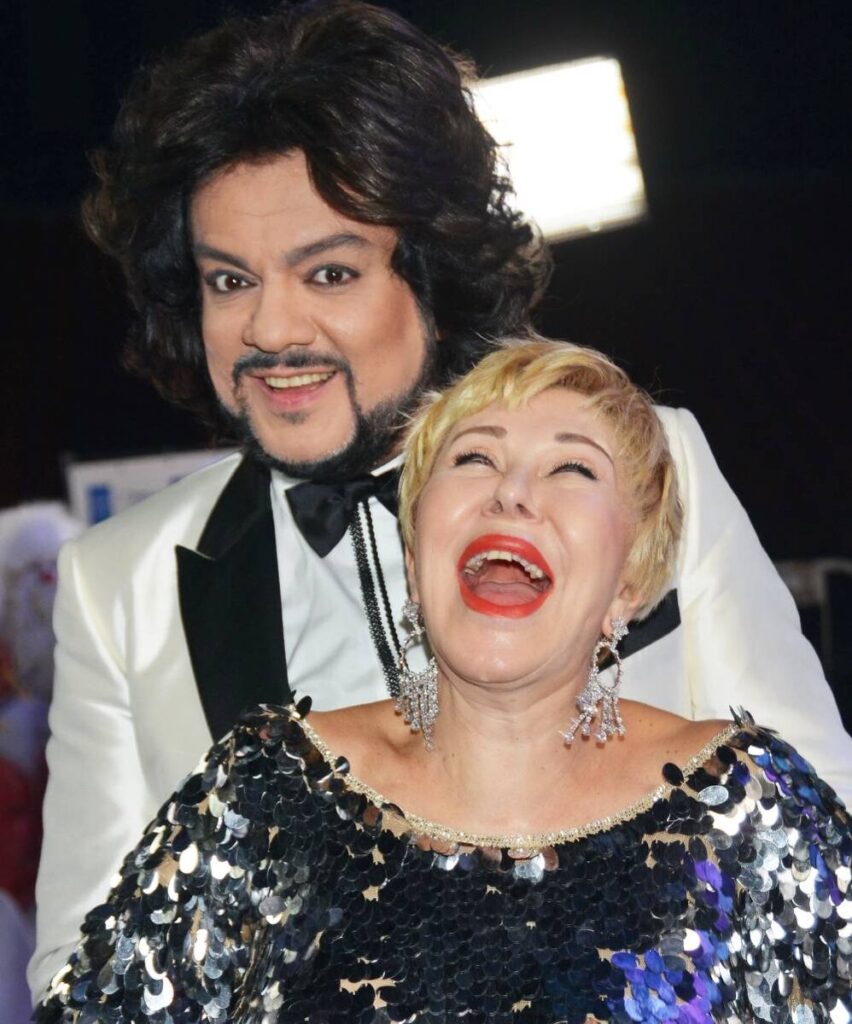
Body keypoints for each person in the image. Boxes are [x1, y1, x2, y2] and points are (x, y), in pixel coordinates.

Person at [31, 0, 852, 1002]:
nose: (270, 329)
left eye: (329, 272)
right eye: (229, 281)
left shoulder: (644, 465)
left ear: (429, 272)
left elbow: (820, 864)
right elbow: (82, 972)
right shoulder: (118, 585)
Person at [35, 341, 851, 1023]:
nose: (512, 492)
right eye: (474, 458)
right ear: (415, 554)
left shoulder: (746, 809)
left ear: (630, 581)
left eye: (572, 468)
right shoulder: (266, 792)